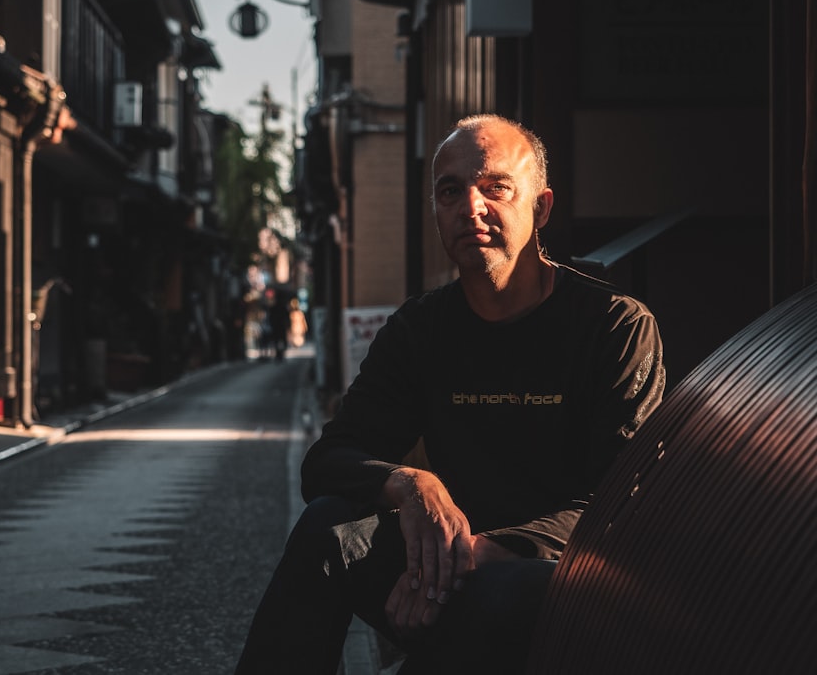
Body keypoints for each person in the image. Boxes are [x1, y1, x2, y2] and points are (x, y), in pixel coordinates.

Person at [234, 114, 666, 674]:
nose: (471, 207)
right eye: (449, 191)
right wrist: (409, 483)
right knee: (327, 528)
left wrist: (479, 555)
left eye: (496, 187)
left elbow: (622, 501)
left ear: (541, 207)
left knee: (497, 593)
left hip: (559, 573)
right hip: (440, 564)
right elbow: (328, 461)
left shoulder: (613, 326)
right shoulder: (421, 329)